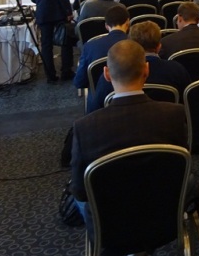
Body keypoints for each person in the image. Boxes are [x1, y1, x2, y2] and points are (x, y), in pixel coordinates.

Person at [70, 39, 188, 240]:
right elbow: (182, 170)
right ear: (146, 70)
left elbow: (80, 191)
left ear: (107, 74)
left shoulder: (85, 127)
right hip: (164, 221)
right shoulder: (174, 114)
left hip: (109, 230)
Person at [90, 21, 191, 111]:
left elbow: (95, 109)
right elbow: (188, 103)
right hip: (168, 122)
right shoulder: (176, 70)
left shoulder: (114, 75)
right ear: (159, 47)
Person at [28, 0, 74, 83]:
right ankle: (66, 71)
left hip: (43, 13)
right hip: (59, 13)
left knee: (46, 45)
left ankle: (50, 76)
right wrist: (68, 12)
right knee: (65, 42)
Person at [74, 4, 131, 110]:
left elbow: (80, 82)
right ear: (128, 22)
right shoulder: (137, 45)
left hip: (99, 105)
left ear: (106, 26)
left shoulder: (90, 47)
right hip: (132, 100)